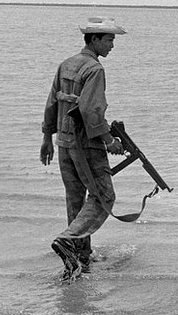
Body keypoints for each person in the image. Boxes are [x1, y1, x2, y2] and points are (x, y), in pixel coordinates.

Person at [40, 16, 128, 281]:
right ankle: (69, 240)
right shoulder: (95, 70)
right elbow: (92, 111)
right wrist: (109, 140)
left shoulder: (66, 64)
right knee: (104, 197)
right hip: (86, 144)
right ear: (94, 39)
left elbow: (52, 103)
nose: (112, 45)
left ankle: (79, 260)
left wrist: (47, 137)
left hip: (65, 144)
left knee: (75, 201)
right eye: (109, 39)